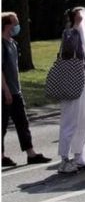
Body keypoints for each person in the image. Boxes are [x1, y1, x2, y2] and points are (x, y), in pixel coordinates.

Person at [2, 13, 50, 167]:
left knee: (22, 123)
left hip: (16, 91)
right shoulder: (2, 44)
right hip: (6, 91)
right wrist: (6, 90)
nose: (18, 26)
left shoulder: (13, 43)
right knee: (2, 125)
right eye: (15, 22)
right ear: (8, 25)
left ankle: (31, 153)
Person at [56, 8, 85, 173]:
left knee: (83, 118)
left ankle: (78, 155)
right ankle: (64, 158)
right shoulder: (69, 33)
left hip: (84, 76)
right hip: (72, 76)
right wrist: (76, 26)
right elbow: (69, 49)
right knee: (70, 118)